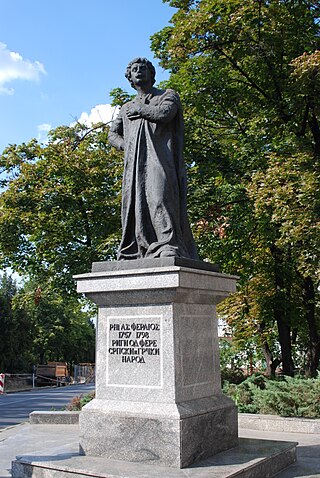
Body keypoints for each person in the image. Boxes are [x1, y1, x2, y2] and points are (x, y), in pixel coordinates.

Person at [108, 57, 198, 261]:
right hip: (134, 165)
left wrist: (140, 110)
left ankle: (169, 244)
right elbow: (112, 135)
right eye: (134, 70)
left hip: (159, 160)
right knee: (135, 205)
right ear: (129, 77)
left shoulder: (167, 95)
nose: (139, 71)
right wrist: (125, 145)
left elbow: (165, 114)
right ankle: (137, 248)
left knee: (160, 197)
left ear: (151, 73)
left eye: (143, 68)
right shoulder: (125, 107)